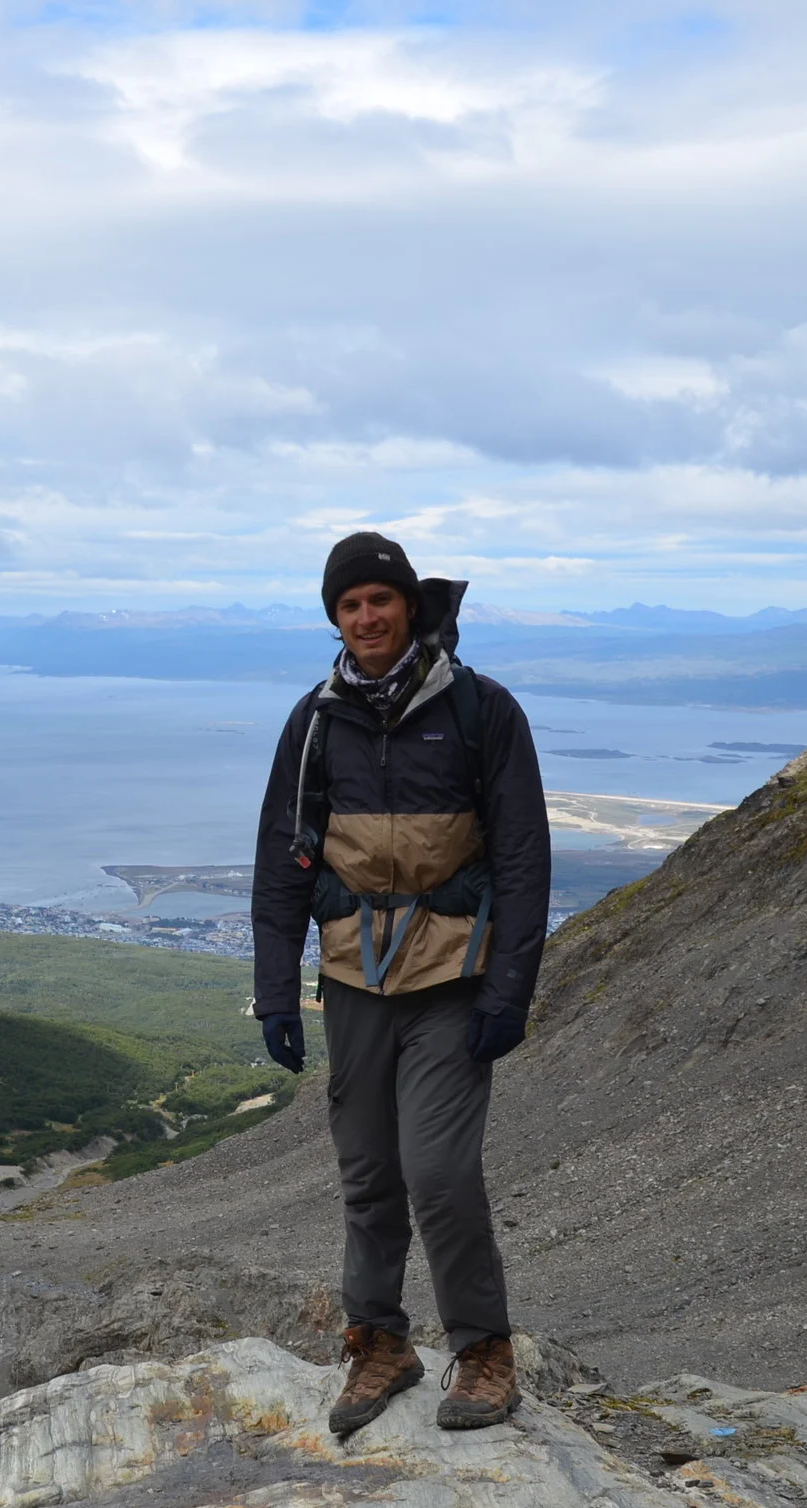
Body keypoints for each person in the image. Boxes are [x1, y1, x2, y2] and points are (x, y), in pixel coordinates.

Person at [250, 531, 551, 1434]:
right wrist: (275, 989)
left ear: (409, 606)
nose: (367, 617)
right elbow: (283, 861)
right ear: (334, 619)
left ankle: (485, 1352)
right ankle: (380, 1344)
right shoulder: (315, 723)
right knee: (369, 1172)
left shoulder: (479, 711)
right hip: (353, 978)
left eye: (380, 600)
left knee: (440, 1172)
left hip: (452, 978)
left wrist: (510, 991)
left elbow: (524, 858)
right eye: (349, 606)